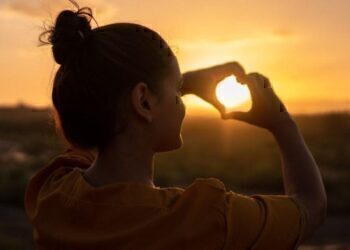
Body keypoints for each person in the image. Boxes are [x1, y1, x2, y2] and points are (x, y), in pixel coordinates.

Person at [24, 1, 327, 249]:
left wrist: (175, 85)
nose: (181, 100)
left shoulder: (52, 194)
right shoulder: (205, 219)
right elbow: (310, 206)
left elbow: (97, 120)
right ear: (143, 101)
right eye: (177, 90)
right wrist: (281, 122)